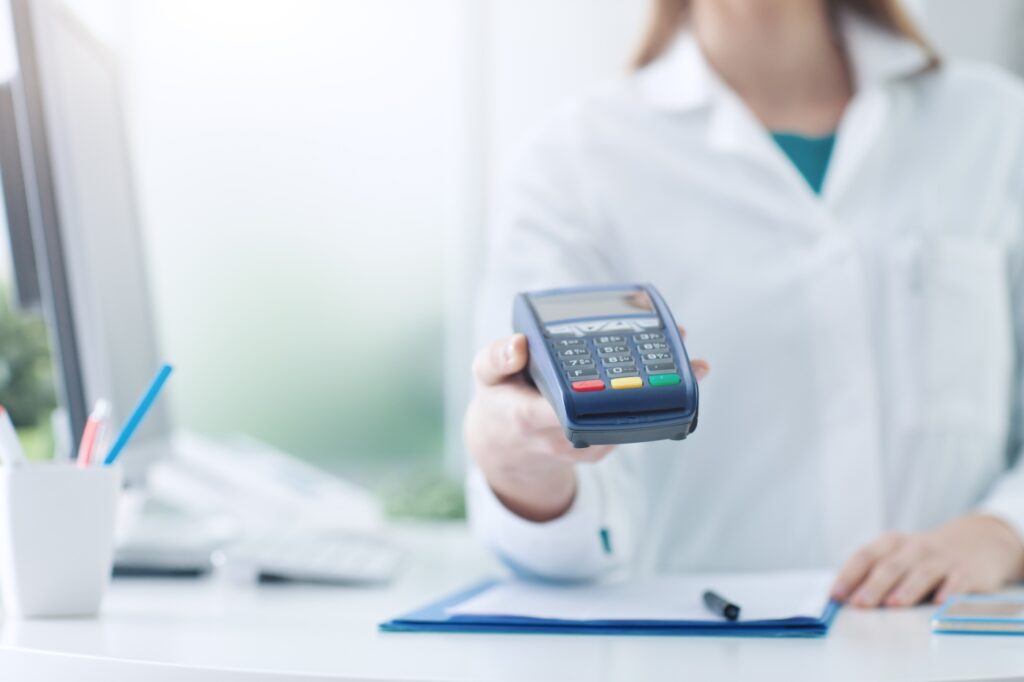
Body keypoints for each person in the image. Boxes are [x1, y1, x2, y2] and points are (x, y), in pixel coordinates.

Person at [463, 0, 1024, 609]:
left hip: (952, 650)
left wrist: (1003, 530)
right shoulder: (571, 161)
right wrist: (521, 471)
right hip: (713, 653)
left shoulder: (995, 122)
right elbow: (567, 549)